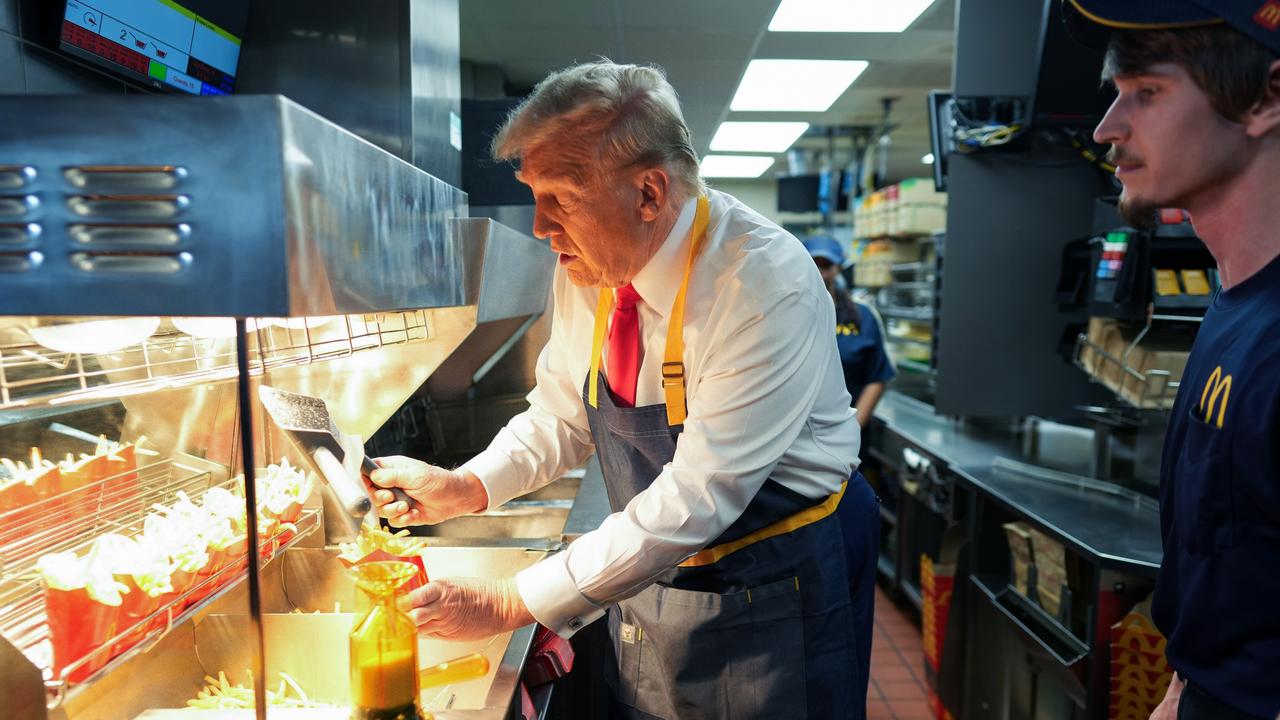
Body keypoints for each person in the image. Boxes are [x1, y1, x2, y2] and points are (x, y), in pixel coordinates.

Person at [365, 60, 880, 719]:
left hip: (780, 569)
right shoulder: (594, 264)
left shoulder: (760, 281)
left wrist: (507, 602)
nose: (541, 228)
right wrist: (468, 486)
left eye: (564, 198)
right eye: (534, 196)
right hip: (662, 560)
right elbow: (559, 414)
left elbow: (700, 494)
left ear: (649, 193)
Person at [1064, 2, 1280, 719]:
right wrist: (1183, 688)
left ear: (1266, 98)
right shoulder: (1233, 303)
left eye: (1146, 93)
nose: (1106, 129)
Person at [802, 235, 896, 430]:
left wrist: (851, 432)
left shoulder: (863, 316)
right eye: (813, 265)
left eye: (826, 266)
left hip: (850, 436)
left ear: (838, 268)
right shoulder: (790, 315)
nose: (820, 273)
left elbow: (877, 377)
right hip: (798, 437)